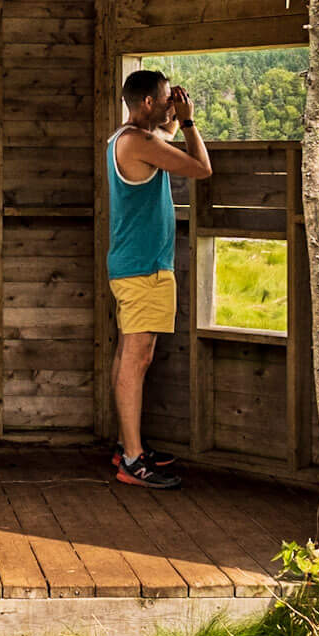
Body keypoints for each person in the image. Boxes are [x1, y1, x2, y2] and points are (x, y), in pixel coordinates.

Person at [106, 69, 211, 489]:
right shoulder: (141, 142)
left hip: (132, 264)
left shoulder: (122, 138)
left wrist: (169, 121)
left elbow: (159, 140)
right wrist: (187, 121)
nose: (171, 102)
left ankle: (125, 445)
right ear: (148, 102)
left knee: (128, 355)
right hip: (145, 269)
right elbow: (201, 168)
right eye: (166, 98)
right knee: (137, 358)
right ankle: (132, 460)